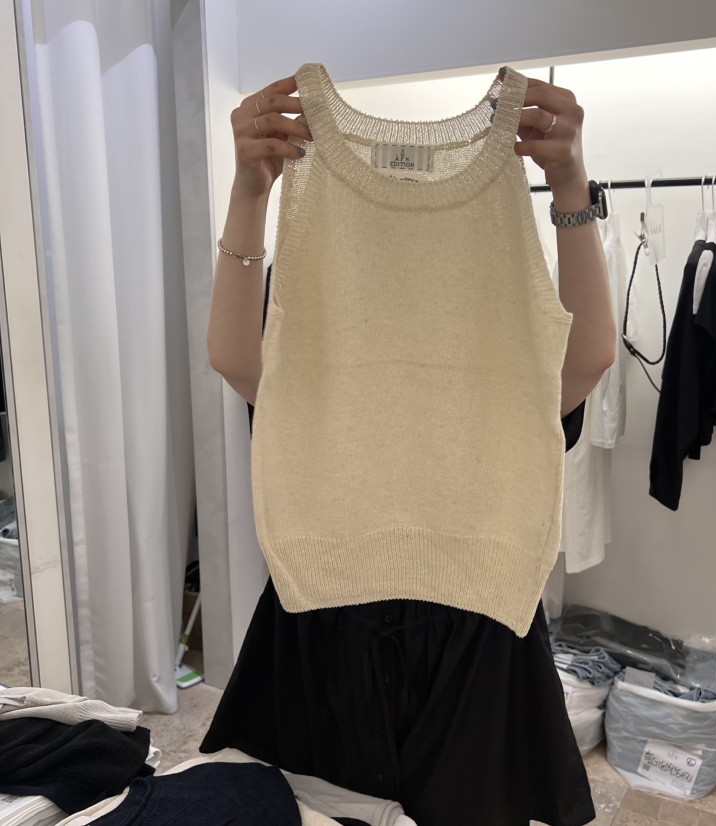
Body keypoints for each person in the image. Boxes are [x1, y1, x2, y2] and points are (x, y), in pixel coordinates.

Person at [202, 70, 615, 826]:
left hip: (476, 612)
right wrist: (250, 194)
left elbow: (587, 361)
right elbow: (236, 360)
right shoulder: (319, 272)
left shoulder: (501, 299)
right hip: (328, 602)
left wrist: (569, 188)